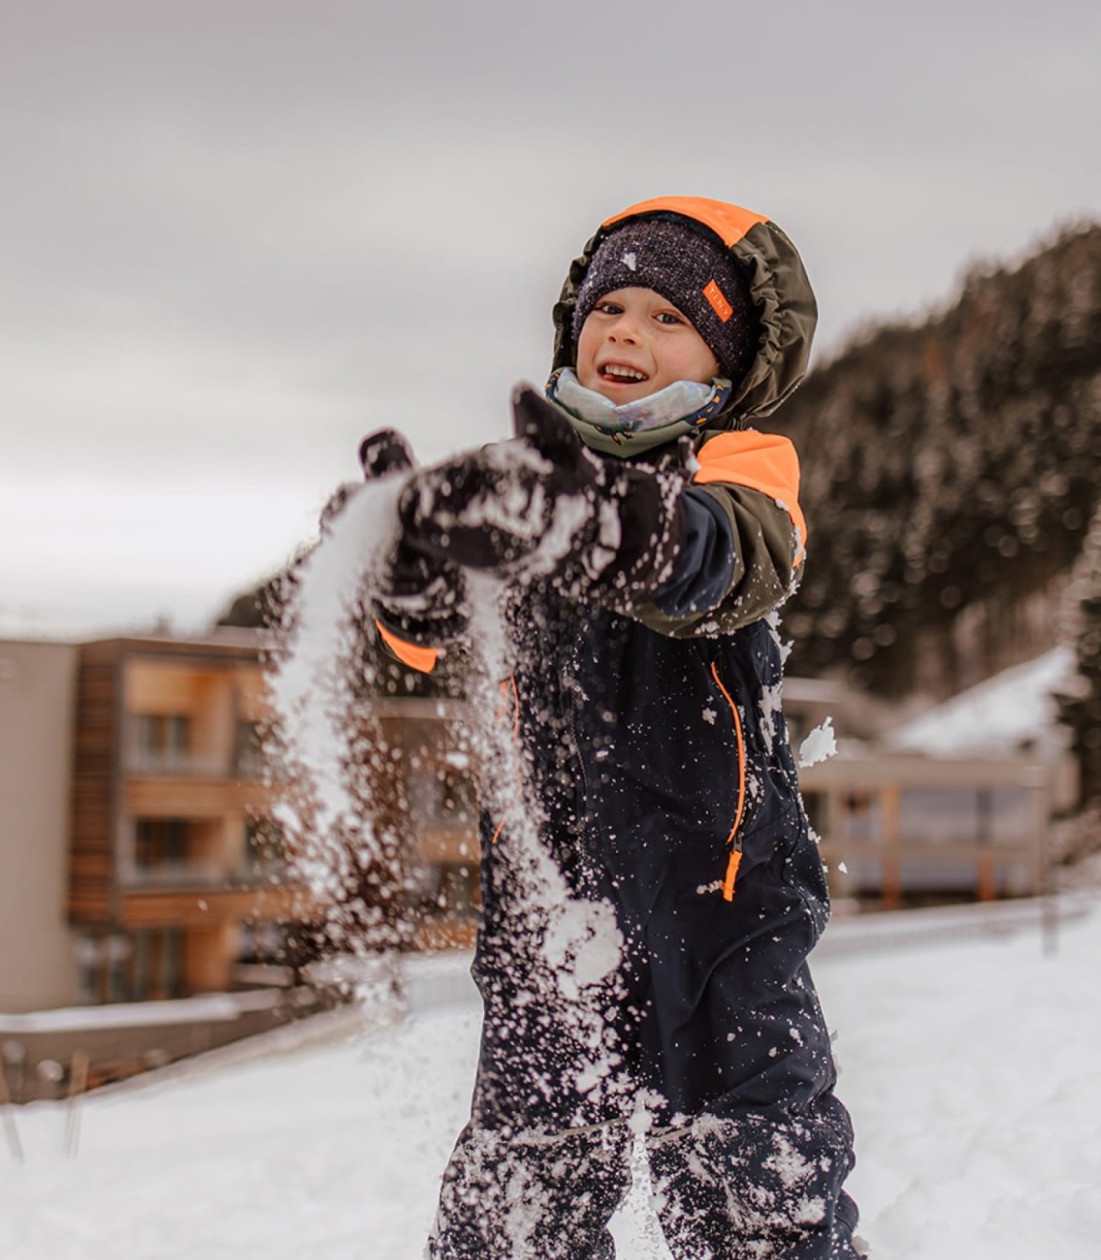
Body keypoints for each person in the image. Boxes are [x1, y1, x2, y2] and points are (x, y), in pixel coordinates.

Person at [366, 196, 861, 1259]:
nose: (627, 333)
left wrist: (612, 526)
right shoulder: (520, 486)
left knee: (762, 1189)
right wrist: (402, 568)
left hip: (725, 915)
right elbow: (420, 638)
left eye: (668, 317)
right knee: (519, 1209)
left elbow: (728, 564)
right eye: (611, 308)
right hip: (550, 919)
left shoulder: (737, 468)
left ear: (724, 358)